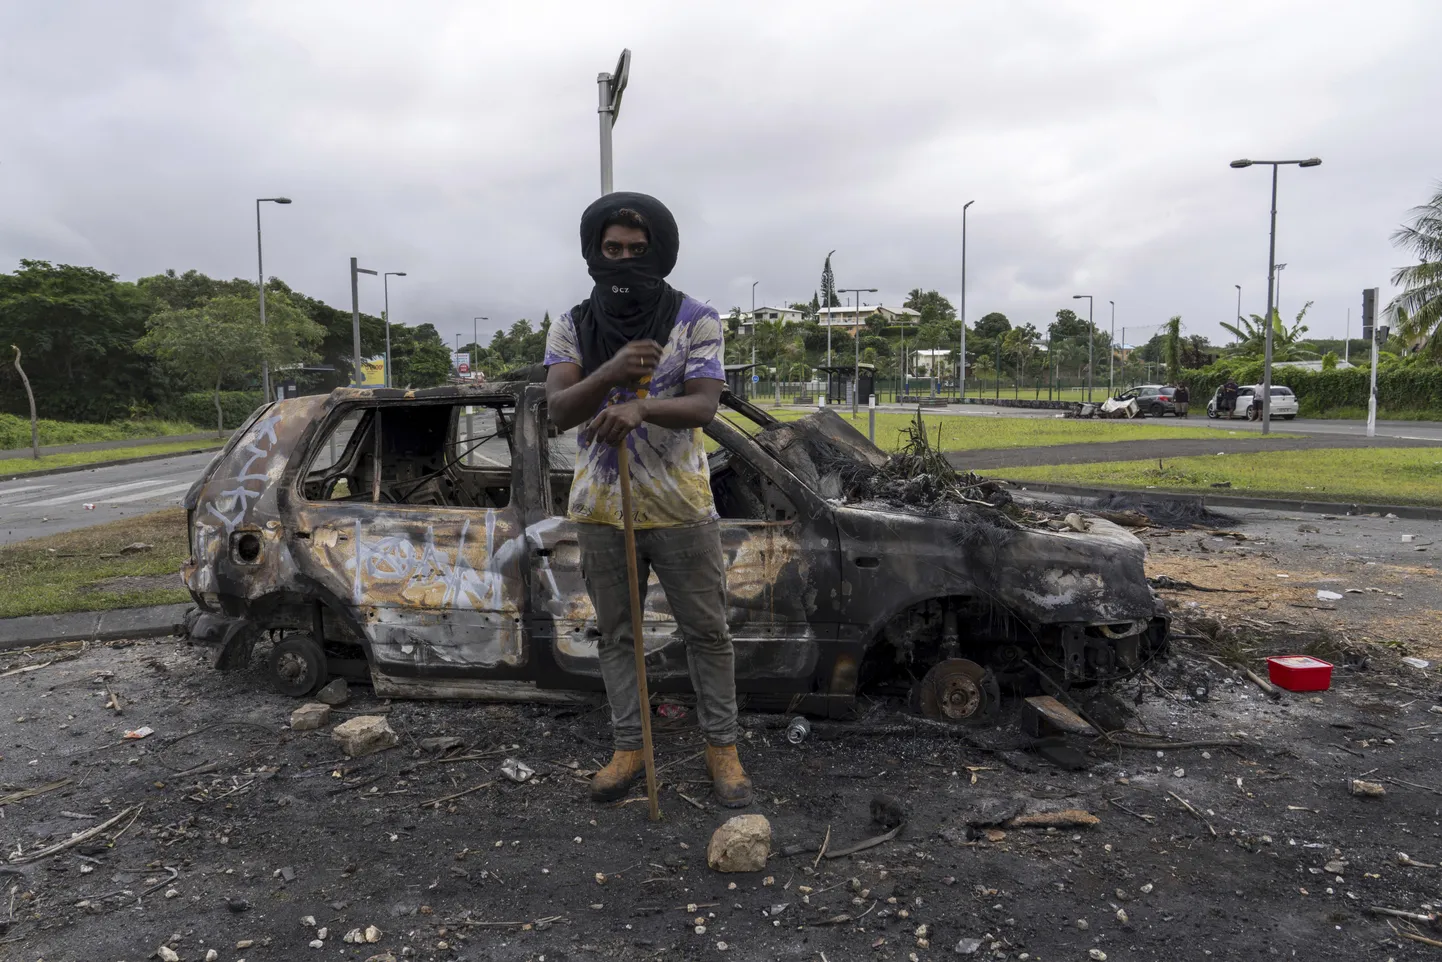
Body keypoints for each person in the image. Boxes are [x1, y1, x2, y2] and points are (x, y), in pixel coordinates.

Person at [543, 192, 753, 809]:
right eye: (612, 250)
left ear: (659, 251)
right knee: (617, 634)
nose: (625, 259)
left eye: (637, 250)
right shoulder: (573, 324)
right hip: (604, 509)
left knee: (708, 633)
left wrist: (642, 406)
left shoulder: (696, 319)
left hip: (682, 507)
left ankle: (723, 751)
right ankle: (630, 748)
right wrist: (610, 374)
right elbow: (558, 409)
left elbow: (704, 405)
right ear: (594, 252)